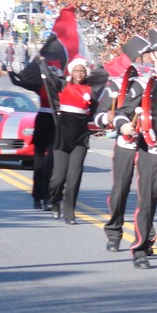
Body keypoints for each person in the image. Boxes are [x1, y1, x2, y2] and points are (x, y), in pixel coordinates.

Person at [115, 27, 157, 271]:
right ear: (153, 54)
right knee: (147, 201)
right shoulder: (142, 79)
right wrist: (124, 125)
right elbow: (123, 112)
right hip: (149, 150)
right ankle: (141, 247)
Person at [94, 35, 149, 252]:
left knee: (148, 194)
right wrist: (109, 119)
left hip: (149, 145)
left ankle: (146, 237)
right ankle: (114, 231)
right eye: (146, 56)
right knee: (121, 190)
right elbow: (98, 117)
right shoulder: (117, 83)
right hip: (126, 143)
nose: (150, 60)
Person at [47, 57, 97, 224]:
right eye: (77, 70)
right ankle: (54, 202)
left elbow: (94, 113)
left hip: (80, 138)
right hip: (62, 136)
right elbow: (49, 76)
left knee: (74, 177)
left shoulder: (91, 90)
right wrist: (41, 60)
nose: (80, 74)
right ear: (71, 71)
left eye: (82, 71)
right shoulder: (63, 85)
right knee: (58, 178)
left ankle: (70, 213)